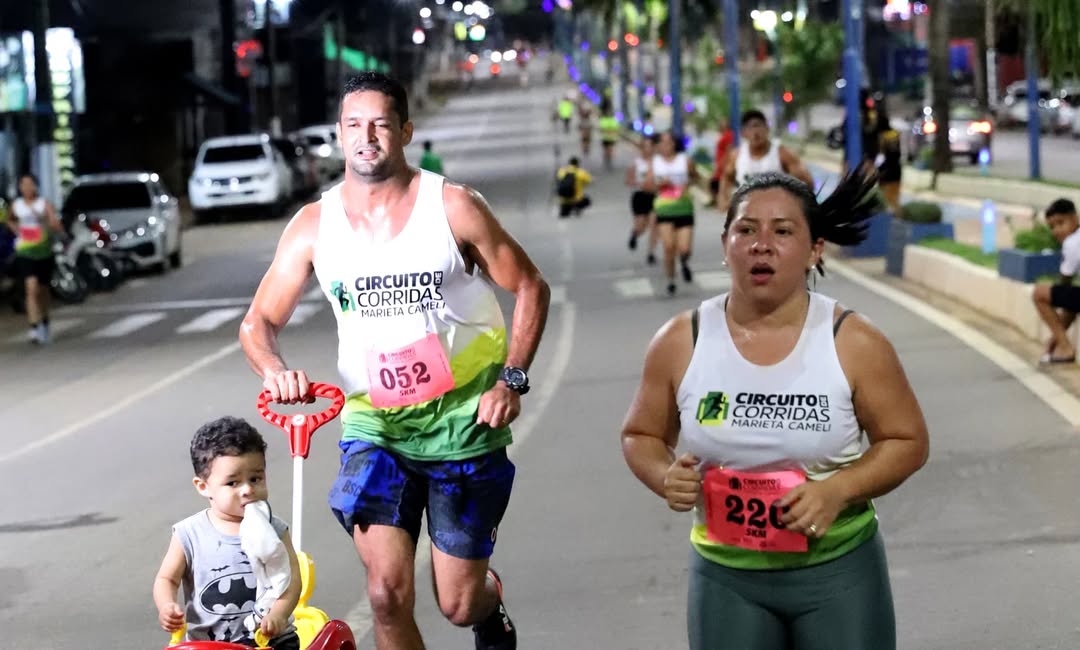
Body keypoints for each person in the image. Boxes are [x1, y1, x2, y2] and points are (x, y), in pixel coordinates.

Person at [239, 71, 550, 650]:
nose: (367, 137)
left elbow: (530, 286)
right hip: (374, 424)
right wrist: (274, 370)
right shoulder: (314, 225)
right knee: (385, 594)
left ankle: (489, 604)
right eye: (354, 125)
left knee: (457, 602)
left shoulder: (452, 207)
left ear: (405, 130)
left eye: (381, 124)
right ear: (338, 134)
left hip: (465, 421)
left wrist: (512, 378)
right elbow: (257, 323)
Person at [620, 168, 929, 650]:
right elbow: (640, 435)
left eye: (783, 231)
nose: (761, 244)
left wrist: (838, 491)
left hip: (837, 571)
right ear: (725, 245)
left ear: (815, 250)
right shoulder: (682, 340)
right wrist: (664, 476)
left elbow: (907, 441)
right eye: (746, 230)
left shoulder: (853, 341)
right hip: (726, 576)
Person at [153, 417, 303, 649]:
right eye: (232, 483)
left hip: (269, 640)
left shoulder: (273, 529)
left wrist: (279, 614)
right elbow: (166, 579)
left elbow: (291, 580)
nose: (247, 490)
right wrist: (166, 606)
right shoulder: (189, 533)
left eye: (256, 478)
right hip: (209, 645)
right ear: (203, 487)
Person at [718, 110, 814, 212]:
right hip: (746, 214)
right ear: (743, 133)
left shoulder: (782, 153)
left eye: (758, 126)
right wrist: (723, 199)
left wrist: (798, 206)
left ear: (767, 128)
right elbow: (726, 178)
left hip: (776, 213)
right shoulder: (737, 155)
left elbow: (807, 181)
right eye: (750, 128)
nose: (756, 133)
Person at [6, 173, 64, 344]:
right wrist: (17, 229)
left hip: (43, 251)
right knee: (31, 289)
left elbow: (55, 224)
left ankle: (45, 321)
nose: (26, 188)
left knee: (43, 290)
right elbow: (9, 220)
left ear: (35, 186)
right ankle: (34, 327)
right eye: (23, 184)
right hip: (25, 251)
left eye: (30, 184)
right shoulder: (16, 205)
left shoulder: (43, 204)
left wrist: (47, 222)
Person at [647, 131, 700, 296]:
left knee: (684, 249)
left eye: (669, 142)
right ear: (657, 146)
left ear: (674, 144)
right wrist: (660, 184)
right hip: (664, 210)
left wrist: (687, 184)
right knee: (668, 246)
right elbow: (647, 186)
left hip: (684, 208)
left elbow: (696, 177)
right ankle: (671, 280)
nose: (666, 146)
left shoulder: (685, 161)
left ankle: (684, 263)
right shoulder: (654, 163)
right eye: (662, 143)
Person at [1032, 199, 1080, 365]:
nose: (1057, 230)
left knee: (1040, 293)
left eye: (1061, 223)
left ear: (1076, 218)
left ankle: (1065, 348)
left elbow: (1064, 281)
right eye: (1052, 226)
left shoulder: (1072, 242)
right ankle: (1056, 342)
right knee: (1071, 300)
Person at [625, 135, 658, 263]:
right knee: (641, 226)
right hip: (639, 196)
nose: (647, 149)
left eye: (650, 146)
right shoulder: (636, 163)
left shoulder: (658, 162)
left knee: (654, 224)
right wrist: (638, 183)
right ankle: (635, 234)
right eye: (645, 147)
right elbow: (628, 180)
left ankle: (651, 253)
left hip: (654, 196)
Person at [707, 117, 735, 207]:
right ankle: (719, 200)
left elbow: (728, 149)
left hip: (723, 163)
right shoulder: (723, 135)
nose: (722, 124)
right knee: (717, 181)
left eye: (724, 122)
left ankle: (720, 200)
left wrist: (722, 163)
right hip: (720, 162)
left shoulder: (728, 135)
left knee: (718, 181)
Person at [599, 104, 621, 171]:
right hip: (605, 138)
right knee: (606, 150)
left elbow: (617, 129)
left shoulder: (614, 120)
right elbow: (601, 129)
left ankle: (609, 159)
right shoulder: (603, 120)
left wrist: (610, 131)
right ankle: (606, 158)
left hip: (612, 138)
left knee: (610, 150)